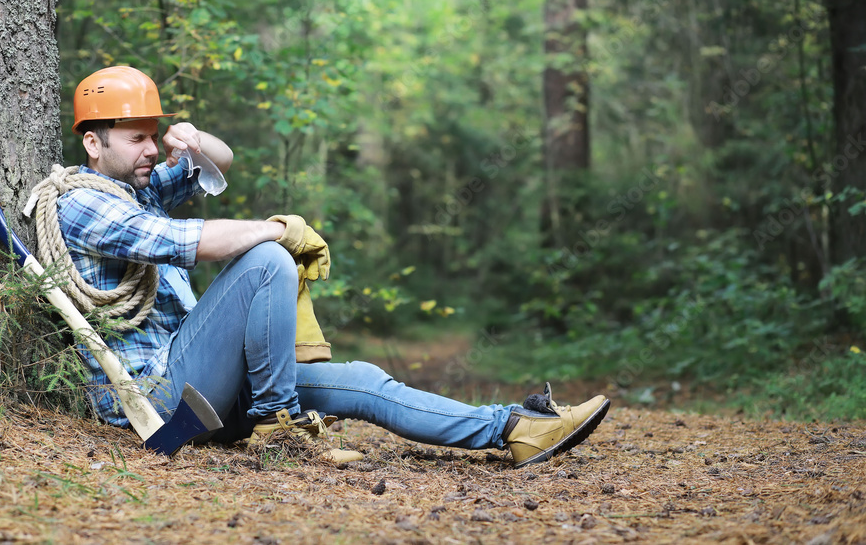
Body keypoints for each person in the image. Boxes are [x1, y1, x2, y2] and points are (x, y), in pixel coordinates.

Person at [53, 65, 610, 467]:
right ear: (94, 144)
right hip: (159, 399)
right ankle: (281, 425)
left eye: (154, 136)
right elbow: (180, 242)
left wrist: (195, 141)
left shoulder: (140, 189)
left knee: (363, 380)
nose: (151, 148)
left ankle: (513, 427)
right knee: (268, 257)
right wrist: (279, 229)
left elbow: (219, 166)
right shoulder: (83, 202)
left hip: (203, 379)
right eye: (137, 138)